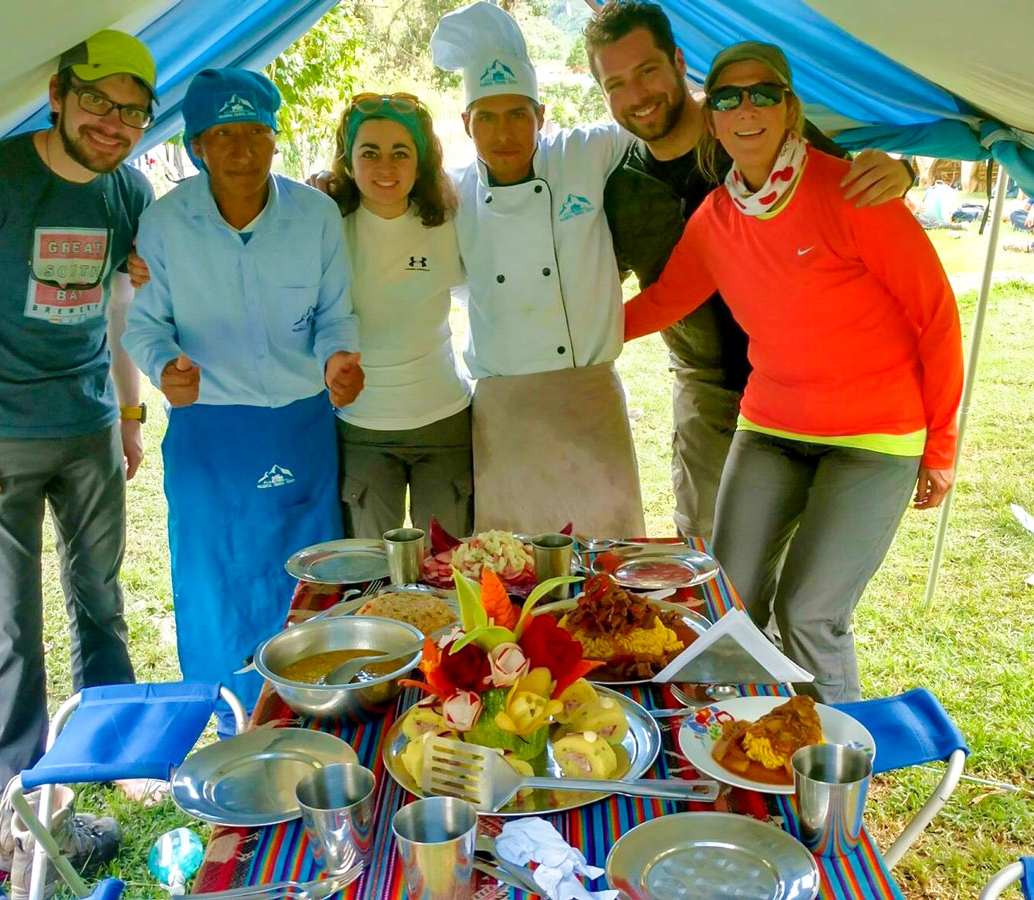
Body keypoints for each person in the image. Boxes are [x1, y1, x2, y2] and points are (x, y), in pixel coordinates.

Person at [622, 42, 964, 702]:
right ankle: (743, 744)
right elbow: (663, 302)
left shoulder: (853, 190)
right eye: (727, 98)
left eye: (762, 94)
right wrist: (563, 340)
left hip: (873, 440)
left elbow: (936, 317)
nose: (745, 109)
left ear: (788, 108)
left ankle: (830, 786)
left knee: (810, 616)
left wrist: (942, 447)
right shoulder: (717, 220)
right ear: (711, 117)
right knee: (731, 602)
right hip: (772, 426)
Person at [0, 29, 156, 789]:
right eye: (96, 102)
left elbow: (120, 304)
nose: (112, 123)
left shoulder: (129, 192)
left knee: (102, 602)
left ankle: (111, 752)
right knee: (11, 628)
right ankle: (27, 794)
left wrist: (130, 412)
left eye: (133, 111)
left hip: (88, 429)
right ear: (57, 95)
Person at [585, 1, 916, 541]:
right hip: (706, 389)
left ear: (677, 60)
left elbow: (848, 179)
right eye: (616, 83)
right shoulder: (619, 188)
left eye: (647, 71)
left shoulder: (752, 125)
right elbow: (591, 283)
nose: (637, 95)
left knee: (803, 560)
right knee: (709, 554)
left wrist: (901, 170)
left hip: (807, 384)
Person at [122, 68, 361, 727]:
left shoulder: (314, 217)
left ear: (274, 139)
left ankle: (318, 710)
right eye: (222, 135)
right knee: (214, 581)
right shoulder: (166, 223)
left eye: (255, 132)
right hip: (209, 430)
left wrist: (338, 358)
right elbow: (145, 324)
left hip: (301, 425)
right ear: (197, 145)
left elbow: (336, 316)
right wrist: (163, 368)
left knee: (307, 576)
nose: (240, 150)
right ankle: (231, 721)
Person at [429, 1, 645, 538]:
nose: (504, 133)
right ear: (465, 123)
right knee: (513, 562)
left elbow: (667, 122)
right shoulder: (450, 194)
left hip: (590, 395)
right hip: (506, 410)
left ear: (541, 116)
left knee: (609, 554)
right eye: (488, 117)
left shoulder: (585, 152)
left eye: (518, 115)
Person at [329, 93, 473, 538]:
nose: (385, 167)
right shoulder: (326, 227)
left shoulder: (451, 221)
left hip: (444, 422)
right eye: (369, 153)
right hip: (362, 427)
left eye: (401, 153)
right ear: (348, 163)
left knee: (449, 569)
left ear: (420, 162)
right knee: (370, 572)